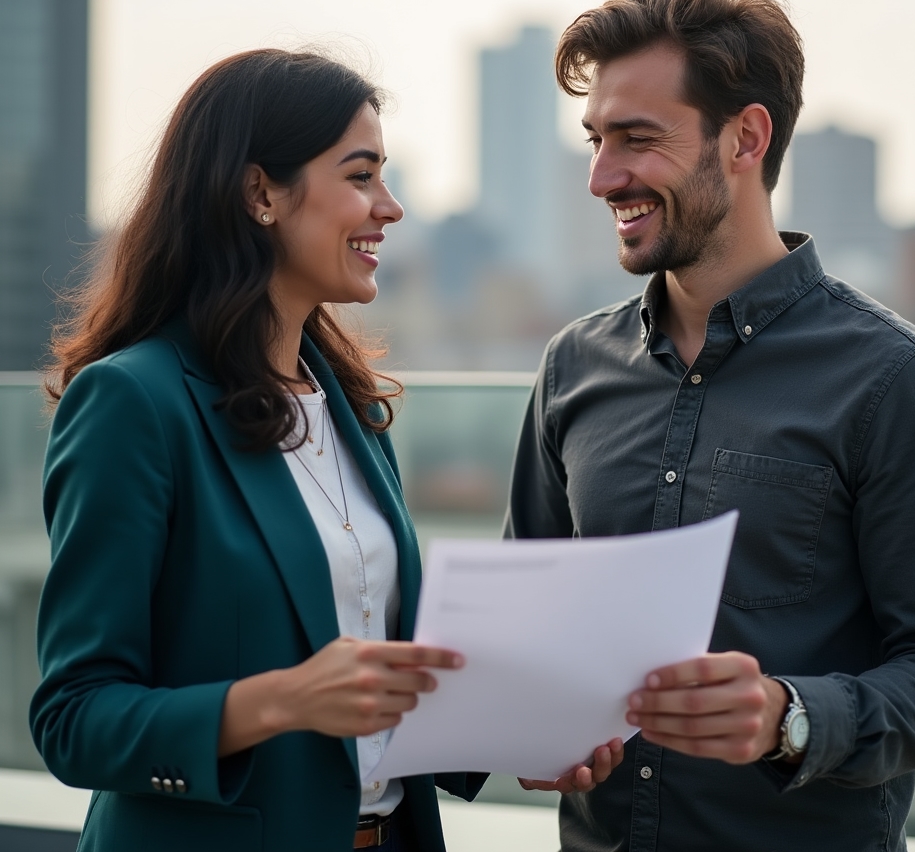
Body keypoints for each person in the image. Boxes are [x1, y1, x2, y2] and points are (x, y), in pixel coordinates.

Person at [31, 49, 619, 852]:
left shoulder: (352, 407)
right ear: (260, 193)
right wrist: (282, 700)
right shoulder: (134, 402)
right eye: (361, 175)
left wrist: (525, 737)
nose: (391, 207)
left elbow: (380, 697)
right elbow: (74, 721)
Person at [505, 0, 915, 851]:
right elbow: (525, 623)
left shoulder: (894, 380)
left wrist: (789, 716)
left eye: (636, 139)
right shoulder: (573, 365)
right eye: (595, 140)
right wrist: (530, 720)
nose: (602, 177)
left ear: (745, 138)